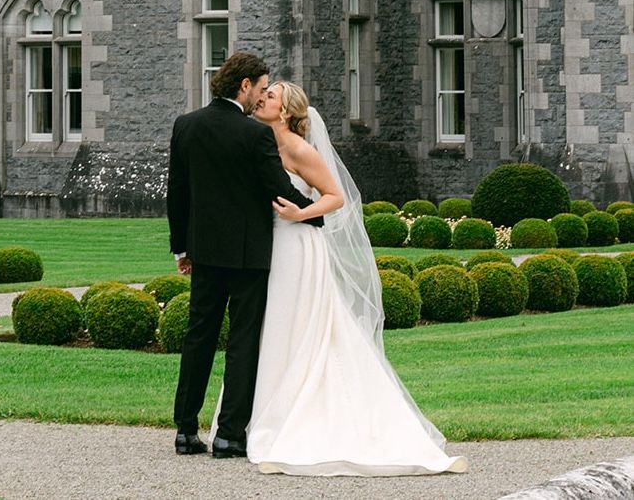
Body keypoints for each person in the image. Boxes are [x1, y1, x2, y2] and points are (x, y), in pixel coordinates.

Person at [221, 80, 468, 476]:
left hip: (298, 245)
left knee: (297, 323)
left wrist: (299, 214)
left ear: (285, 112)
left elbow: (335, 197)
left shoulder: (301, 149)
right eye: (263, 94)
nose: (261, 98)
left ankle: (299, 413)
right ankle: (259, 412)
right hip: (268, 247)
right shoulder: (259, 144)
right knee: (271, 328)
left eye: (270, 96)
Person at [166, 52, 324, 459]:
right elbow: (278, 189)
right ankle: (230, 435)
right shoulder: (254, 135)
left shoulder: (186, 126)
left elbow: (177, 196)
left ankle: (185, 430)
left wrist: (183, 248)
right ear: (244, 85)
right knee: (242, 341)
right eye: (261, 86)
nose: (261, 96)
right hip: (248, 254)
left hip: (203, 252)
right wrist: (312, 218)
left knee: (198, 337)